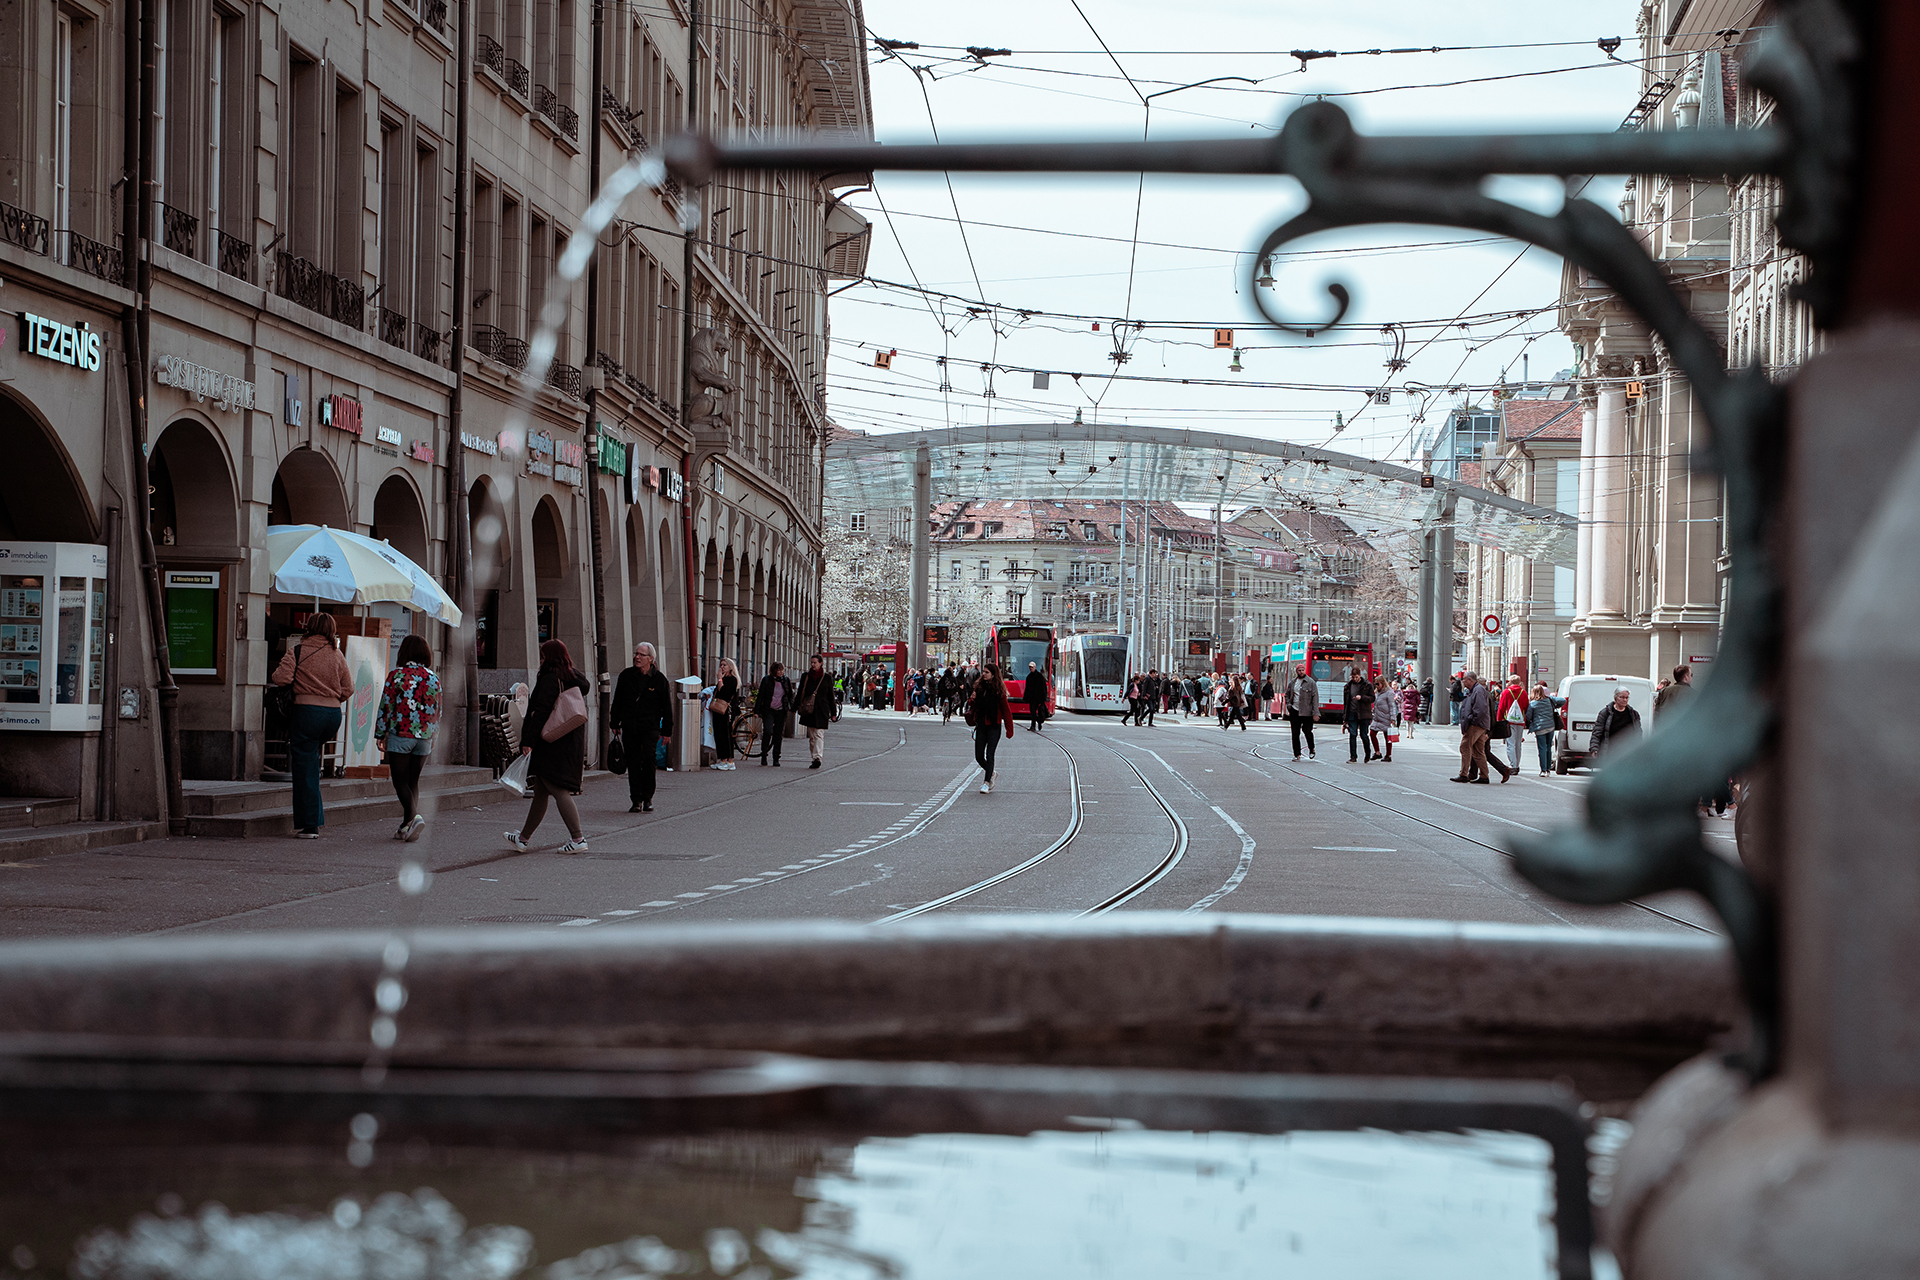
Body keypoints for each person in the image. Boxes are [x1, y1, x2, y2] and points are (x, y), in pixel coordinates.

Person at [270, 614, 356, 839]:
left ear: (310, 627)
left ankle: (310, 825)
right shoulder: (337, 654)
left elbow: (280, 678)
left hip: (307, 713)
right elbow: (349, 688)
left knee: (304, 769)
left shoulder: (297, 651)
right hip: (332, 716)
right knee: (310, 764)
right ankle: (313, 819)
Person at [504, 639, 591, 852]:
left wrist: (528, 742)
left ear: (548, 658)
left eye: (543, 656)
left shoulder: (551, 679)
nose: (541, 660)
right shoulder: (573, 677)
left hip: (550, 743)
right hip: (568, 740)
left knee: (558, 789)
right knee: (542, 792)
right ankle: (523, 839)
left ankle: (578, 839)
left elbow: (539, 712)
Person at [374, 633, 441, 842]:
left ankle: (414, 817)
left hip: (401, 734)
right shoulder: (433, 678)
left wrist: (380, 733)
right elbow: (439, 710)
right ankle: (406, 826)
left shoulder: (397, 675)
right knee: (413, 782)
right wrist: (434, 735)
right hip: (425, 737)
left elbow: (386, 705)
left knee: (399, 782)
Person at [610, 641, 674, 812]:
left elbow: (667, 707)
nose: (636, 657)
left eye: (641, 655)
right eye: (636, 654)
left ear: (651, 659)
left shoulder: (659, 680)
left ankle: (648, 798)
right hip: (630, 725)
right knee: (632, 761)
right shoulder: (626, 676)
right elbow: (617, 700)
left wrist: (667, 731)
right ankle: (636, 799)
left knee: (648, 759)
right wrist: (614, 722)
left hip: (650, 727)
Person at [1452, 671, 1513, 784]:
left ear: (1470, 680)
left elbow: (1480, 709)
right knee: (1478, 751)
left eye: (1464, 679)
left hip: (1476, 725)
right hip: (1480, 724)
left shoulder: (1478, 690)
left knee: (1465, 747)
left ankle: (1463, 774)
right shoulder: (1475, 690)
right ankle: (1484, 776)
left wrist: (1472, 721)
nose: (1463, 681)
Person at [968, 663, 1015, 793]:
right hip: (981, 725)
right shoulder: (979, 687)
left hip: (994, 726)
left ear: (993, 674)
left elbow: (1006, 711)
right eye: (983, 671)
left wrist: (1009, 729)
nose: (984, 674)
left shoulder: (999, 691)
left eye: (987, 672)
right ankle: (992, 773)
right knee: (978, 756)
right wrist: (971, 699)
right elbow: (972, 704)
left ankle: (986, 782)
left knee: (990, 754)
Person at [795, 654, 833, 768]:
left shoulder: (826, 678)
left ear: (821, 663)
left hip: (822, 710)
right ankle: (814, 757)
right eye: (811, 662)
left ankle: (817, 757)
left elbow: (831, 695)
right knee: (812, 736)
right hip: (809, 710)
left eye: (815, 662)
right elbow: (800, 692)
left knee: (818, 734)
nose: (812, 665)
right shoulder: (806, 676)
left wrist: (834, 712)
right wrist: (794, 707)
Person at [753, 661, 795, 765]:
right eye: (778, 670)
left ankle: (776, 758)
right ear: (773, 670)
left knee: (778, 734)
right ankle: (764, 755)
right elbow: (760, 696)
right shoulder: (767, 680)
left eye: (782, 670)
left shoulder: (786, 680)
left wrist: (792, 708)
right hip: (769, 709)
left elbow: (790, 695)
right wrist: (756, 711)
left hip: (781, 710)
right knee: (767, 731)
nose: (781, 672)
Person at [1589, 685, 1643, 761]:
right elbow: (1597, 732)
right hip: (1609, 752)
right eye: (1622, 697)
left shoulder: (1633, 714)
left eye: (1626, 697)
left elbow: (1638, 733)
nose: (1624, 700)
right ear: (1615, 698)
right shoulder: (1605, 713)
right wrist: (1594, 748)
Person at [1524, 682, 1565, 776]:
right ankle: (1548, 769)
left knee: (1542, 748)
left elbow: (1528, 717)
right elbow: (1563, 700)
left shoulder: (1533, 704)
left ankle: (1543, 770)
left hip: (1540, 728)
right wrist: (1555, 704)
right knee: (1548, 748)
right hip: (1551, 726)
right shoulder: (1550, 700)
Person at [710, 657, 741, 770]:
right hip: (719, 710)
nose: (722, 667)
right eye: (721, 665)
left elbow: (723, 693)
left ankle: (729, 760)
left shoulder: (731, 680)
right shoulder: (724, 678)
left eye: (725, 665)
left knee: (725, 734)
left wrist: (719, 680)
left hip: (727, 710)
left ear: (730, 668)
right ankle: (722, 759)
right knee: (719, 734)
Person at [1496, 675, 1530, 775]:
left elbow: (1501, 707)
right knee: (1518, 744)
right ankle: (1517, 765)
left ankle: (1513, 765)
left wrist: (1499, 720)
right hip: (1520, 721)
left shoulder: (1506, 692)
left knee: (1510, 743)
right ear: (1519, 682)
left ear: (1510, 682)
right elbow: (1526, 707)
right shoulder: (1523, 692)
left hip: (1508, 721)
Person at [1285, 664, 1318, 760]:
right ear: (1296, 671)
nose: (1301, 672)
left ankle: (1312, 749)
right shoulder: (1293, 683)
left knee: (1307, 731)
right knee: (1295, 733)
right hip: (1294, 711)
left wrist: (1316, 712)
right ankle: (1297, 754)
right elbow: (1287, 695)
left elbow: (1315, 698)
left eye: (1303, 670)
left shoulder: (1311, 682)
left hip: (1307, 711)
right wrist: (1289, 705)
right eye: (1299, 670)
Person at [1343, 666, 1375, 762]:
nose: (1355, 679)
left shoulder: (1367, 685)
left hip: (1364, 713)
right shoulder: (1348, 686)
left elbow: (1372, 698)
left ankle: (1367, 754)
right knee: (1352, 734)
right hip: (1352, 713)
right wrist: (1345, 718)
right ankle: (1353, 756)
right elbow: (1346, 703)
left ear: (1360, 676)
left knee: (1364, 735)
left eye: (1356, 677)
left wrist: (1362, 697)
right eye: (1353, 677)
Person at [1368, 675, 1398, 762]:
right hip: (1377, 717)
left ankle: (1388, 755)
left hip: (1386, 717)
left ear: (1382, 683)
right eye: (1375, 684)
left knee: (1387, 737)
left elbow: (1392, 706)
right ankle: (1377, 752)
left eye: (1378, 684)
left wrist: (1393, 718)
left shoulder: (1389, 693)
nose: (1376, 686)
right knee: (1372, 733)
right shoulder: (1377, 692)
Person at [1023, 660, 1050, 732]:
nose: (1030, 668)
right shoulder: (1029, 677)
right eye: (1030, 667)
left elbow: (1043, 688)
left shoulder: (1040, 676)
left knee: (1040, 713)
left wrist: (1043, 698)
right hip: (1032, 698)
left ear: (1035, 667)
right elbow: (1027, 688)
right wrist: (1026, 698)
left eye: (1032, 667)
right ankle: (1033, 726)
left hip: (1039, 698)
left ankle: (1039, 721)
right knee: (1033, 713)